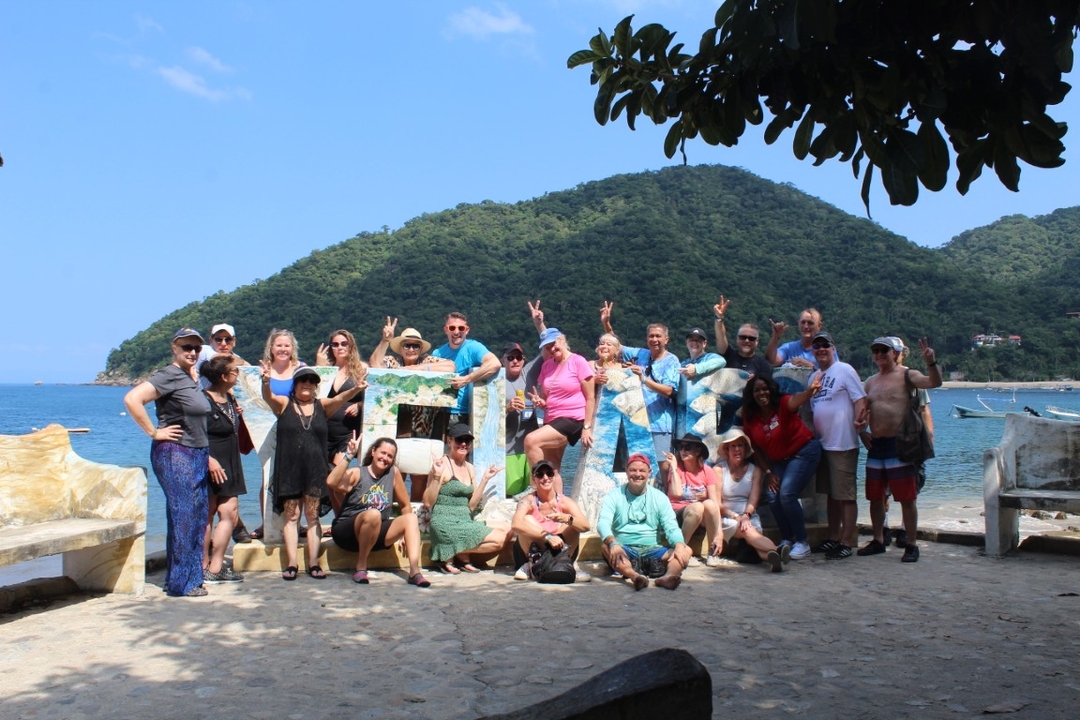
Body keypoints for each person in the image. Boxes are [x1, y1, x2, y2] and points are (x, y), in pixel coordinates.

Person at [123, 328, 212, 597]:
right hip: (176, 453)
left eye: (196, 348)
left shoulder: (190, 377)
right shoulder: (169, 374)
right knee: (184, 515)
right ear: (175, 348)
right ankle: (182, 584)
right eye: (186, 347)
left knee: (196, 516)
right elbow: (132, 399)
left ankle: (187, 578)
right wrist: (154, 432)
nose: (192, 352)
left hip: (197, 453)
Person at [261, 365, 366, 581]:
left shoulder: (322, 406)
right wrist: (265, 382)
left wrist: (357, 389)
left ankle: (314, 563)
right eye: (303, 380)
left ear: (316, 386)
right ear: (295, 384)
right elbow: (268, 396)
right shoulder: (284, 404)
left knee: (312, 516)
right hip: (289, 469)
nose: (307, 383)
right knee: (291, 516)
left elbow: (341, 398)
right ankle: (292, 563)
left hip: (315, 470)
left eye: (312, 380)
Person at [858, 336, 942, 562]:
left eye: (883, 350)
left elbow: (934, 382)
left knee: (907, 497)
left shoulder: (907, 375)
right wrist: (861, 431)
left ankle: (911, 544)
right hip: (877, 446)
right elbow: (861, 411)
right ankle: (878, 539)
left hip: (901, 445)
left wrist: (931, 363)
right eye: (875, 350)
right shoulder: (870, 382)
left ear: (894, 353)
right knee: (875, 497)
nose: (879, 354)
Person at [368, 318, 456, 501]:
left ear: (420, 349)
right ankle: (393, 510)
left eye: (416, 346)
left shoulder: (428, 360)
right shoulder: (392, 361)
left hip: (424, 427)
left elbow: (451, 366)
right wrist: (385, 340)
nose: (411, 349)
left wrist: (418, 368)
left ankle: (415, 512)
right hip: (396, 427)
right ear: (400, 347)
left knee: (420, 474)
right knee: (395, 471)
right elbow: (374, 364)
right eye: (407, 345)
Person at [327, 434, 431, 587]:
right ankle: (361, 567)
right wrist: (349, 455)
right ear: (373, 451)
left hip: (374, 535)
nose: (385, 458)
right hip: (347, 533)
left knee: (411, 518)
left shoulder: (393, 473)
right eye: (383, 453)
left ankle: (415, 572)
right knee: (373, 514)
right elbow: (331, 482)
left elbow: (405, 505)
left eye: (390, 456)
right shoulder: (358, 473)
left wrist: (405, 534)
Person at [739, 373, 823, 560]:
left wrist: (809, 392)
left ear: (771, 390)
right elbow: (755, 449)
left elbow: (795, 401)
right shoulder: (750, 417)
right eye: (757, 390)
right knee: (772, 495)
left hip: (804, 452)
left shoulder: (782, 404)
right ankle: (787, 538)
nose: (762, 393)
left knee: (787, 493)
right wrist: (768, 472)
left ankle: (802, 541)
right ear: (751, 394)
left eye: (765, 388)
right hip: (779, 461)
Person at [600, 301, 680, 475]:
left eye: (658, 336)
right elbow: (617, 347)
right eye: (651, 336)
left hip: (660, 424)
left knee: (663, 469)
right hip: (637, 423)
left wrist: (644, 379)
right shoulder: (642, 354)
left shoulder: (672, 361)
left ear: (666, 339)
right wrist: (606, 323)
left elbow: (669, 391)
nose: (654, 340)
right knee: (639, 468)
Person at [807, 331, 868, 560]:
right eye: (816, 346)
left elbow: (860, 399)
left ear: (833, 348)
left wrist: (862, 427)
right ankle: (833, 537)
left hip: (842, 444)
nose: (821, 349)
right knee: (831, 495)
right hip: (822, 445)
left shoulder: (844, 370)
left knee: (846, 495)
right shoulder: (814, 377)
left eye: (825, 345)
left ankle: (846, 542)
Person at [423, 423, 511, 574]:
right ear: (449, 441)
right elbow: (427, 502)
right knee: (500, 540)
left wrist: (485, 479)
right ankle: (445, 550)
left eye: (467, 440)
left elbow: (471, 505)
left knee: (509, 529)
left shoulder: (470, 468)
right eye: (459, 440)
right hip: (445, 523)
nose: (464, 444)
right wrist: (436, 475)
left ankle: (454, 551)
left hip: (464, 520)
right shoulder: (441, 465)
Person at [596, 454, 691, 590]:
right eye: (633, 470)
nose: (637, 474)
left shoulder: (660, 497)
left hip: (653, 549)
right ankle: (634, 576)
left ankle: (668, 577)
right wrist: (613, 543)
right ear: (626, 471)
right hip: (624, 548)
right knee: (606, 548)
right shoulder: (614, 495)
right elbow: (603, 523)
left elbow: (671, 527)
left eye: (642, 471)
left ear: (649, 472)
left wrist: (679, 545)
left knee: (686, 550)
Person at [249, 328, 305, 541]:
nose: (283, 349)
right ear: (271, 348)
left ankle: (296, 523)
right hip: (266, 429)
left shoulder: (301, 368)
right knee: (267, 476)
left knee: (298, 478)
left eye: (287, 345)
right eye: (279, 345)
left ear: (293, 348)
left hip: (297, 429)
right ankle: (266, 523)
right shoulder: (262, 370)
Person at [524, 328, 595, 493]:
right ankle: (556, 502)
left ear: (562, 340)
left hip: (573, 418)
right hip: (551, 418)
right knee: (553, 466)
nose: (551, 349)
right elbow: (545, 398)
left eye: (553, 344)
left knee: (531, 440)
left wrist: (587, 427)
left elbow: (590, 397)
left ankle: (536, 487)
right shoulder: (547, 366)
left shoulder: (578, 361)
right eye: (547, 347)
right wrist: (539, 401)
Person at [198, 354, 246, 584]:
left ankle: (216, 567)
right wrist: (208, 460)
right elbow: (194, 434)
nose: (237, 374)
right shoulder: (202, 400)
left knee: (230, 511)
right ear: (224, 376)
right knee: (207, 513)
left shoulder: (230, 398)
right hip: (210, 460)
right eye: (235, 371)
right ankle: (202, 565)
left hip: (230, 460)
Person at [883, 337, 935, 548]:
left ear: (902, 353)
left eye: (896, 351)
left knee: (910, 488)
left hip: (911, 441)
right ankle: (884, 527)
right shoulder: (877, 379)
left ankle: (905, 530)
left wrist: (929, 437)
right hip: (887, 442)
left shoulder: (912, 378)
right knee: (883, 488)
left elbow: (924, 409)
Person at [715, 428, 790, 572]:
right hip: (727, 516)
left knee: (755, 540)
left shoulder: (755, 470)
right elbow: (717, 503)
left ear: (745, 449)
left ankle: (775, 559)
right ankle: (778, 549)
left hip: (748, 514)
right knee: (748, 531)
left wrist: (746, 515)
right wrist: (736, 516)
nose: (737, 449)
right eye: (733, 446)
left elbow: (753, 499)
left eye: (740, 445)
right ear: (727, 449)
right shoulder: (718, 470)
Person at [510, 459, 589, 581]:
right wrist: (547, 536)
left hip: (560, 548)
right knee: (527, 519)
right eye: (540, 475)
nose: (545, 478)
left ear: (554, 477)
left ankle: (569, 563)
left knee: (573, 523)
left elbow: (585, 526)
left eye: (549, 473)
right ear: (534, 479)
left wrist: (566, 518)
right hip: (536, 548)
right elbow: (516, 524)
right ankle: (530, 564)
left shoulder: (565, 502)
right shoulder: (527, 501)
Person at [662, 434, 724, 567]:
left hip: (699, 517)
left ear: (697, 451)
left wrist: (719, 533)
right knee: (697, 507)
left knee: (709, 504)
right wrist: (673, 468)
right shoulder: (676, 468)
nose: (683, 451)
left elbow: (715, 503)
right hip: (677, 514)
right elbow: (677, 493)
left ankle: (712, 552)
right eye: (681, 447)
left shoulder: (707, 471)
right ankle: (681, 549)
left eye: (687, 447)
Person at [430, 312, 502, 428]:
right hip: (440, 412)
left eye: (461, 328)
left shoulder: (473, 347)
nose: (456, 332)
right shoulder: (437, 353)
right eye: (452, 328)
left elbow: (494, 363)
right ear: (446, 330)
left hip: (466, 413)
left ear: (467, 330)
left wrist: (467, 379)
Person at [316, 329, 368, 457]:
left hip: (348, 432)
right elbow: (315, 395)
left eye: (344, 344)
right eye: (335, 344)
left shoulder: (362, 369)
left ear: (351, 346)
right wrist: (319, 367)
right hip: (325, 430)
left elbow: (372, 397)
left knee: (339, 467)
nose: (340, 347)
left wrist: (359, 405)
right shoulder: (327, 369)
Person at [503, 341, 541, 497]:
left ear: (523, 360)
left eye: (518, 357)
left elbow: (546, 349)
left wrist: (539, 325)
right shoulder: (496, 380)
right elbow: (487, 416)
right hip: (509, 448)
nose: (515, 361)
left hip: (532, 447)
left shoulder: (528, 374)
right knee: (511, 492)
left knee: (535, 491)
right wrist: (507, 407)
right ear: (503, 361)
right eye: (510, 358)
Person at [712, 296, 773, 378]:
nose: (747, 340)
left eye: (751, 338)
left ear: (757, 342)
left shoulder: (763, 365)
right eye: (743, 337)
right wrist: (719, 318)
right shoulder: (728, 355)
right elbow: (721, 336)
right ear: (737, 338)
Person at [765, 308, 836, 369]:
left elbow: (835, 373)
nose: (805, 326)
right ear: (798, 323)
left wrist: (810, 365)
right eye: (803, 322)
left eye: (810, 323)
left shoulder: (826, 349)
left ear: (819, 326)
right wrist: (775, 337)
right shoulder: (789, 348)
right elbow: (772, 361)